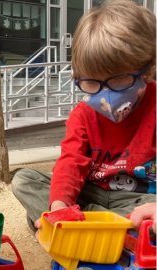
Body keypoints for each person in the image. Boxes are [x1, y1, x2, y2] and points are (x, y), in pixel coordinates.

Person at [11, 0, 156, 233]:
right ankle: (100, 225)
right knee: (25, 180)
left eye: (118, 79)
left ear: (146, 70)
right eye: (91, 82)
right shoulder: (84, 112)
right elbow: (71, 162)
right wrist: (59, 206)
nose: (104, 94)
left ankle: (85, 225)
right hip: (92, 191)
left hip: (138, 198)